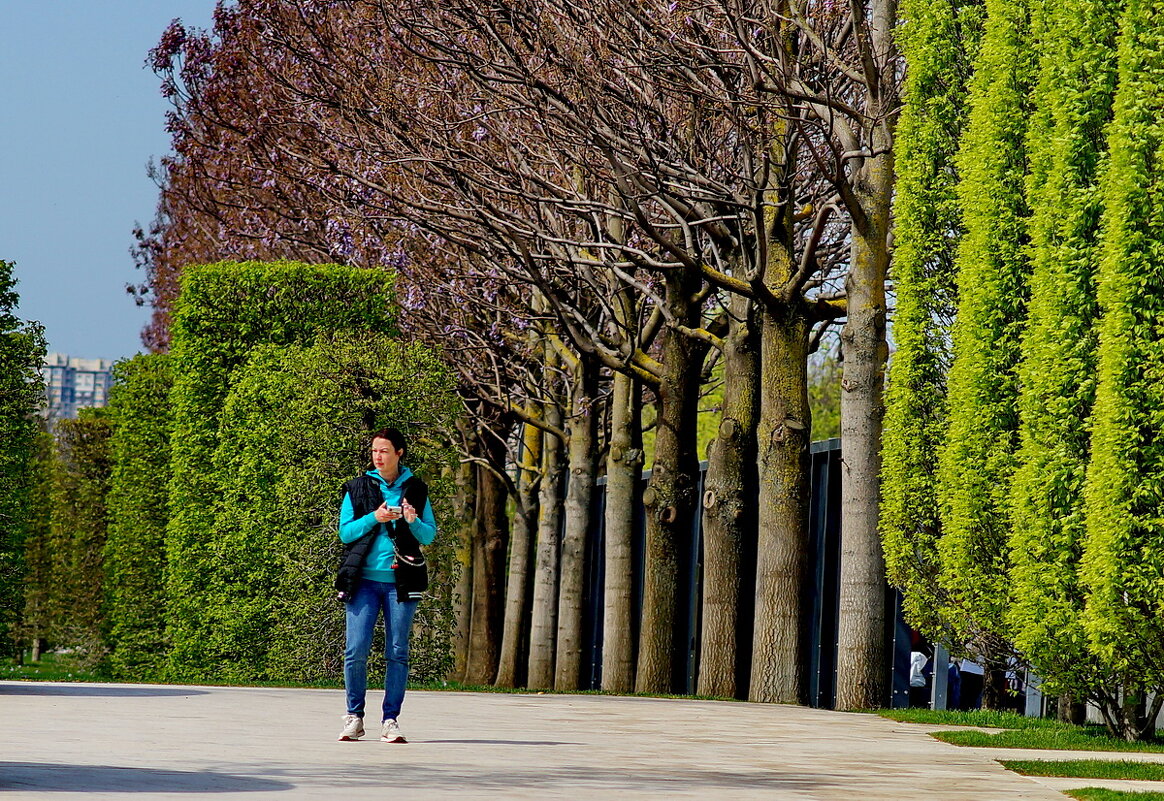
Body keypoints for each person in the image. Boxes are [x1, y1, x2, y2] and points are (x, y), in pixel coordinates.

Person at [336, 427, 437, 744]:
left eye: (384, 451)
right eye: (374, 450)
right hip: (363, 582)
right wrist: (374, 518)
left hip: (401, 582)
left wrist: (412, 521)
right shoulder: (356, 488)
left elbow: (429, 536)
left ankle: (390, 720)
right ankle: (354, 716)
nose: (377, 456)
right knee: (356, 650)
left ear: (399, 453)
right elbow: (346, 534)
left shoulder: (416, 489)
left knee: (397, 652)